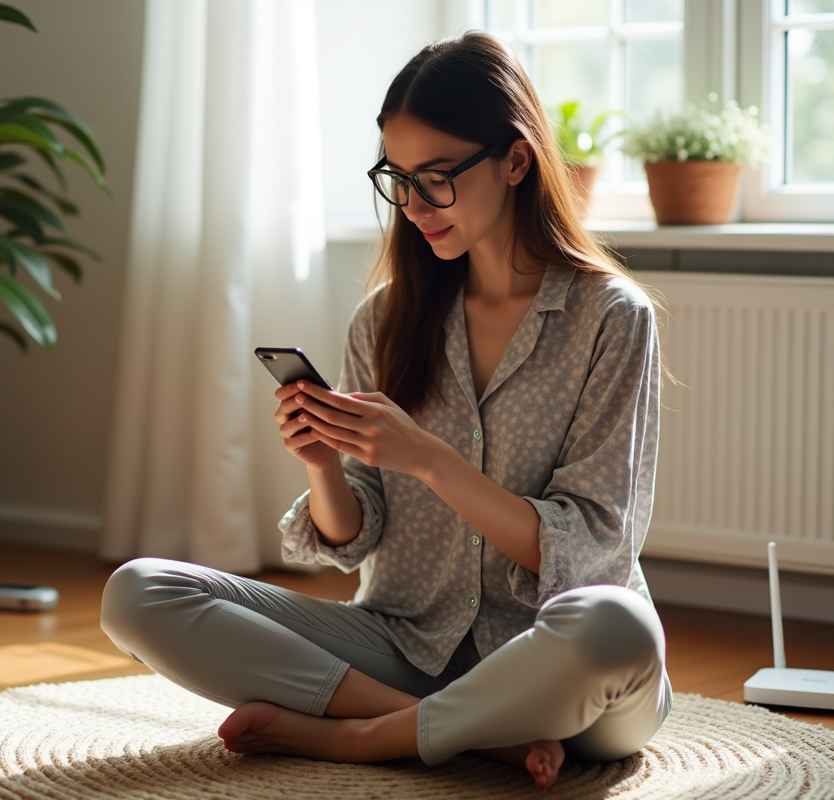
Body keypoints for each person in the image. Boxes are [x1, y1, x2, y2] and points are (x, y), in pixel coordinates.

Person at [100, 31, 670, 791]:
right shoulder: (385, 320)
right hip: (407, 646)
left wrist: (432, 461)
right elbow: (353, 536)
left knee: (616, 626)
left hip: (560, 674)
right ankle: (453, 727)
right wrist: (323, 465)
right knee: (138, 593)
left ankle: (365, 738)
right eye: (396, 179)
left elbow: (594, 553)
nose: (412, 205)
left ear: (515, 160)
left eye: (436, 178)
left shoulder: (612, 318)